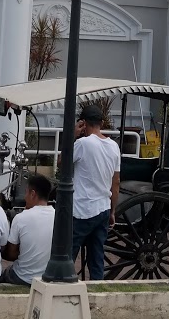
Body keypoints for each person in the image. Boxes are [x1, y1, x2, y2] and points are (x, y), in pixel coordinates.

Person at [70, 105, 120, 281]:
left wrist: (73, 135)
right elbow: (116, 182)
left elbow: (62, 161)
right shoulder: (114, 146)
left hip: (82, 208)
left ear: (83, 123)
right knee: (97, 257)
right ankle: (97, 288)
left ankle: (63, 285)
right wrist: (112, 211)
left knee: (68, 254)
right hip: (103, 208)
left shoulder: (83, 144)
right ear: (102, 122)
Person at [0, 172, 55, 285]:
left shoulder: (21, 218)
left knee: (3, 274)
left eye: (26, 192)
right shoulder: (58, 217)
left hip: (23, 277)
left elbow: (11, 254)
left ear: (32, 194)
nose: (25, 197)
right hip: (49, 276)